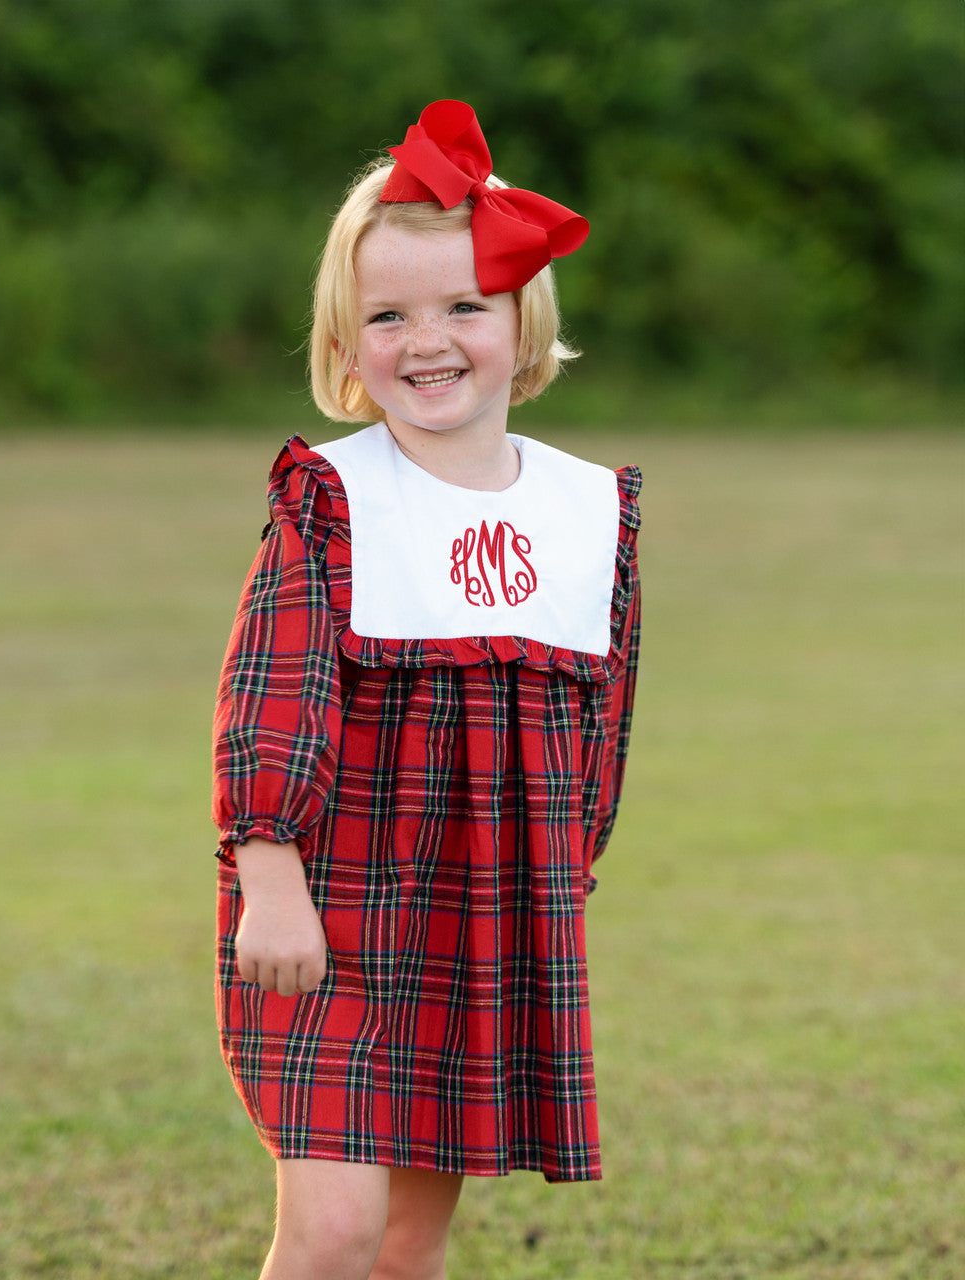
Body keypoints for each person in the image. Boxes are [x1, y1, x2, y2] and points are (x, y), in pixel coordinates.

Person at [212, 99, 642, 1280]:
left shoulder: (586, 509)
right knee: (335, 1230)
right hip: (329, 901)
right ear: (348, 348)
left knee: (407, 1240)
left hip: (480, 907)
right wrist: (267, 869)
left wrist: (569, 865)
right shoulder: (333, 498)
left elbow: (601, 717)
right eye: (387, 316)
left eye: (464, 306)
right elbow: (272, 690)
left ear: (521, 319)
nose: (428, 339)